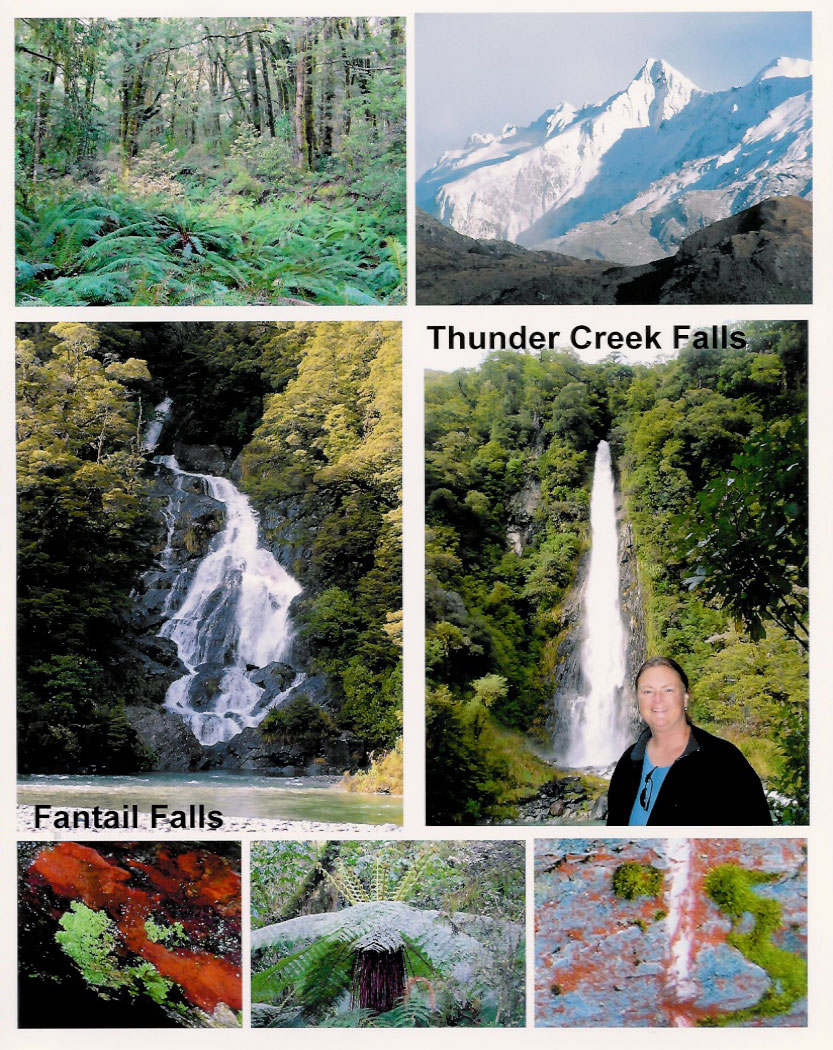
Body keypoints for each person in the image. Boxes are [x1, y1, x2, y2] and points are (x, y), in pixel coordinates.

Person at [606, 656, 772, 825]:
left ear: (685, 698)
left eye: (668, 690)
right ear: (638, 700)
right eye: (647, 691)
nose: (657, 700)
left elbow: (758, 832)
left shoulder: (724, 761)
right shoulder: (628, 763)